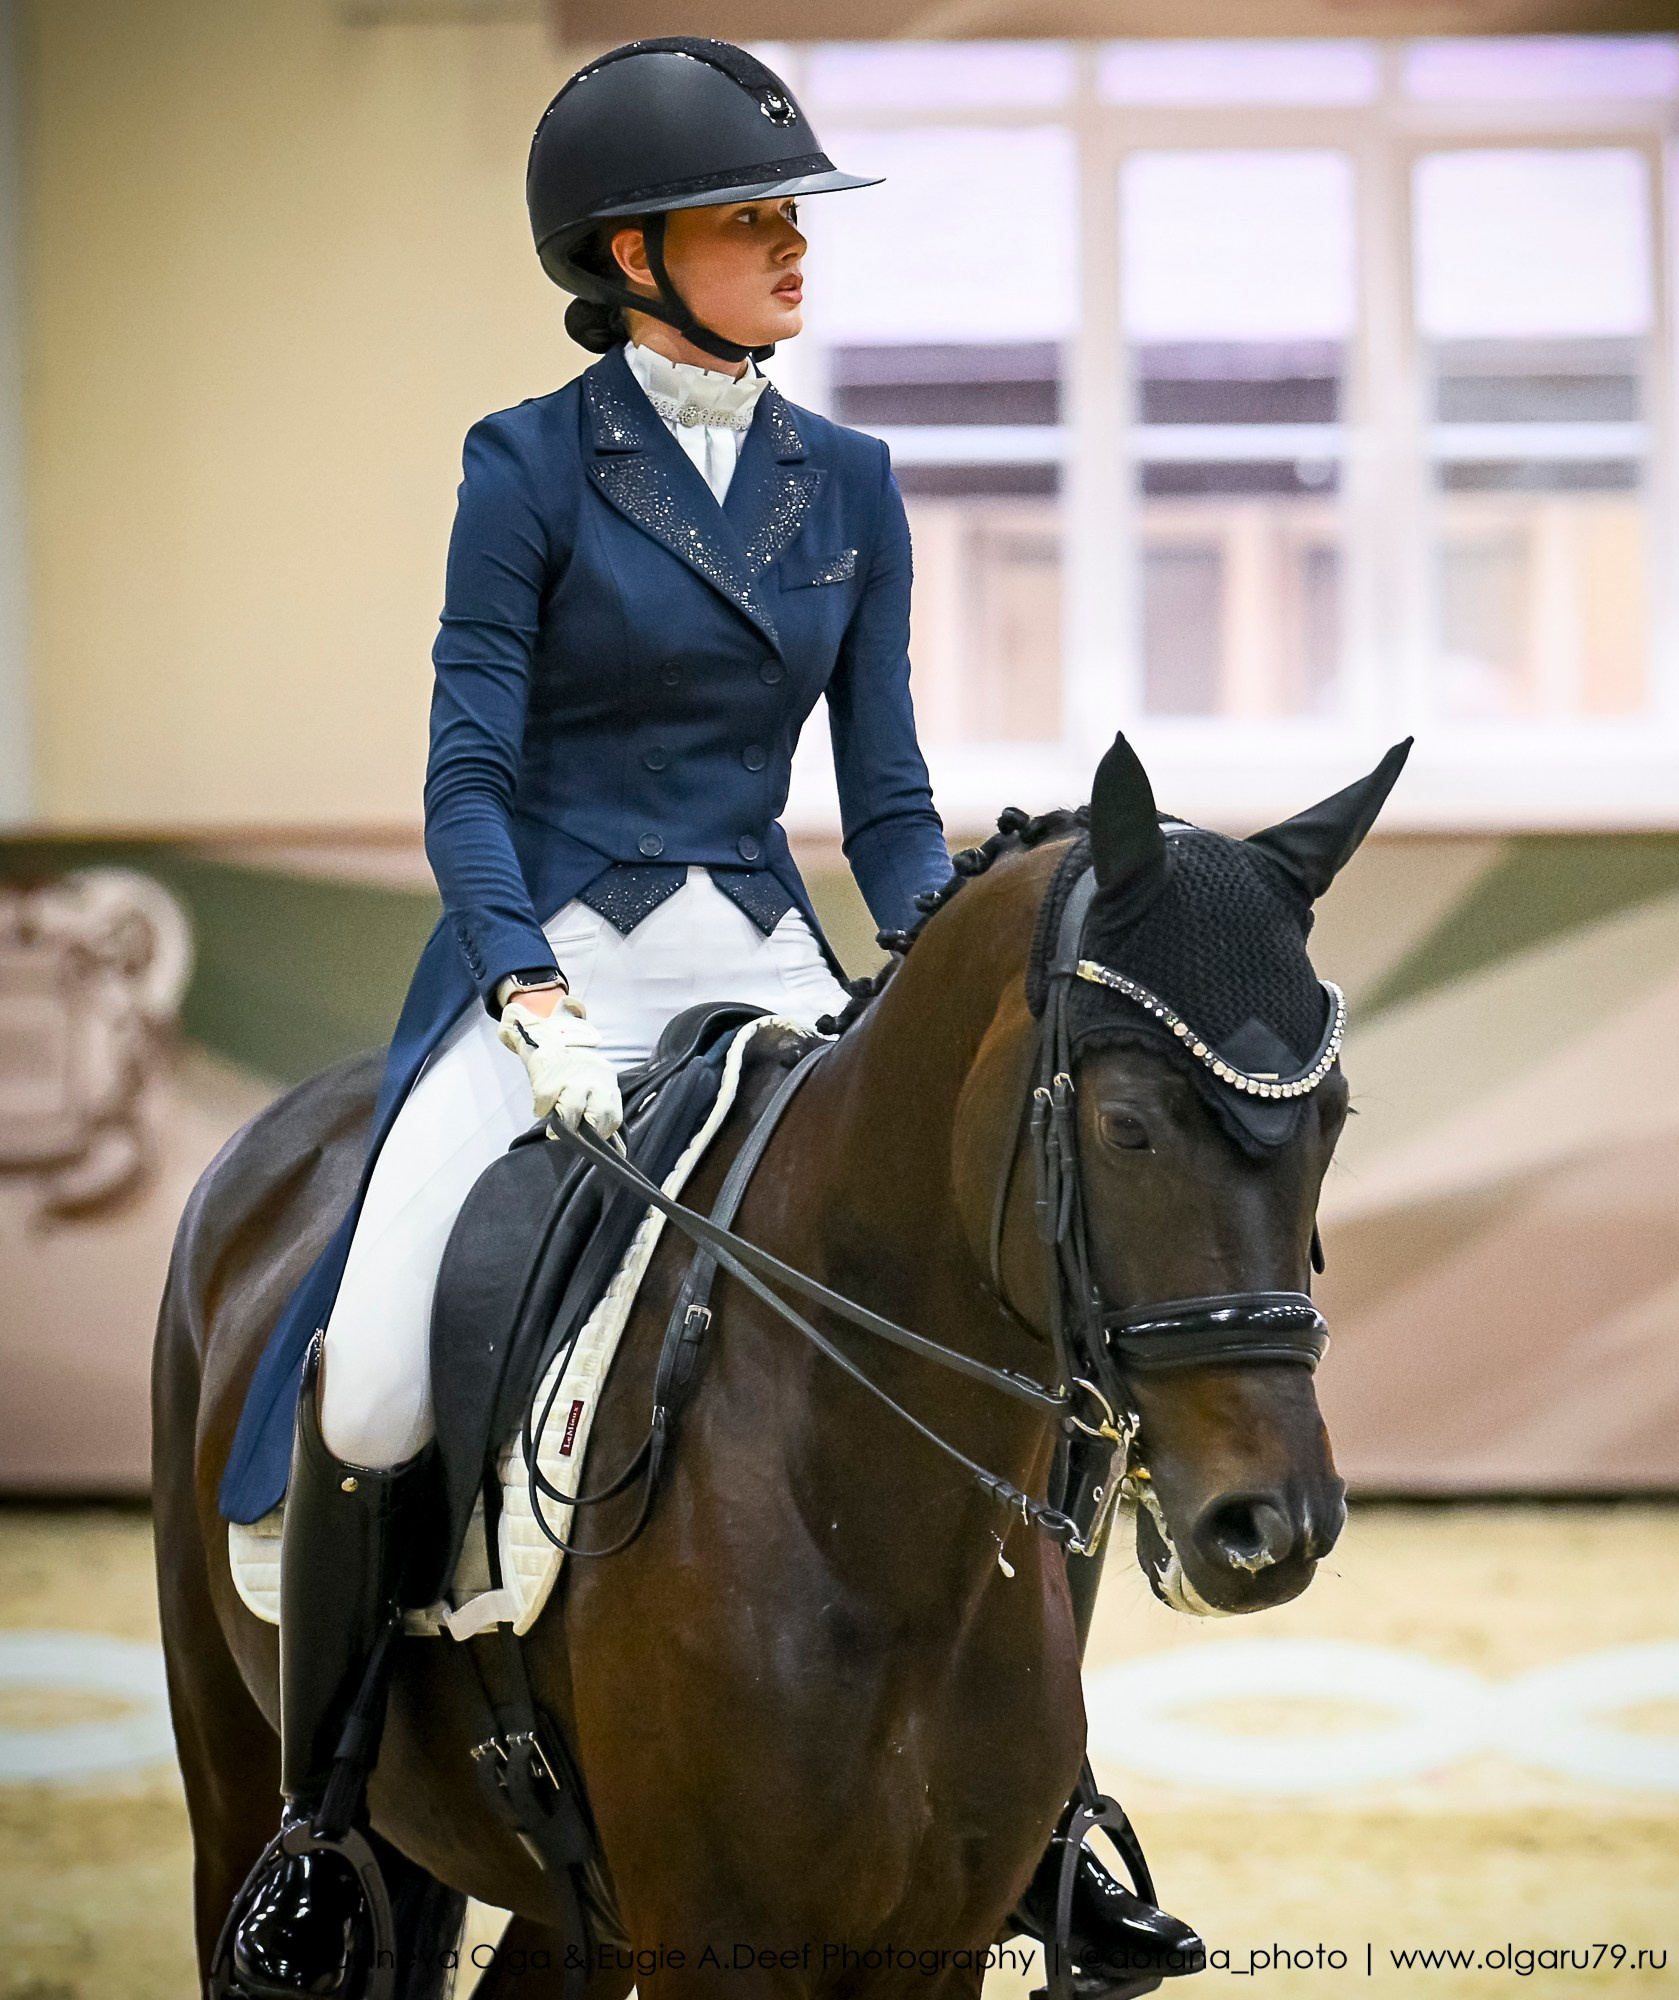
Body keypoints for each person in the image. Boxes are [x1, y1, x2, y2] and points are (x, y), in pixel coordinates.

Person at [216, 39, 1200, 1998]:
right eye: (753, 217)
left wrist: (941, 971)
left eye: (793, 217)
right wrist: (524, 985)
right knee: (383, 1362)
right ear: (630, 249)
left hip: (764, 963)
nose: (789, 247)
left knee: (1009, 1332)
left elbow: (893, 796)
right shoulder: (525, 467)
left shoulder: (852, 484)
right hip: (549, 965)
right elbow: (467, 772)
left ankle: (1050, 1810)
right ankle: (326, 1813)